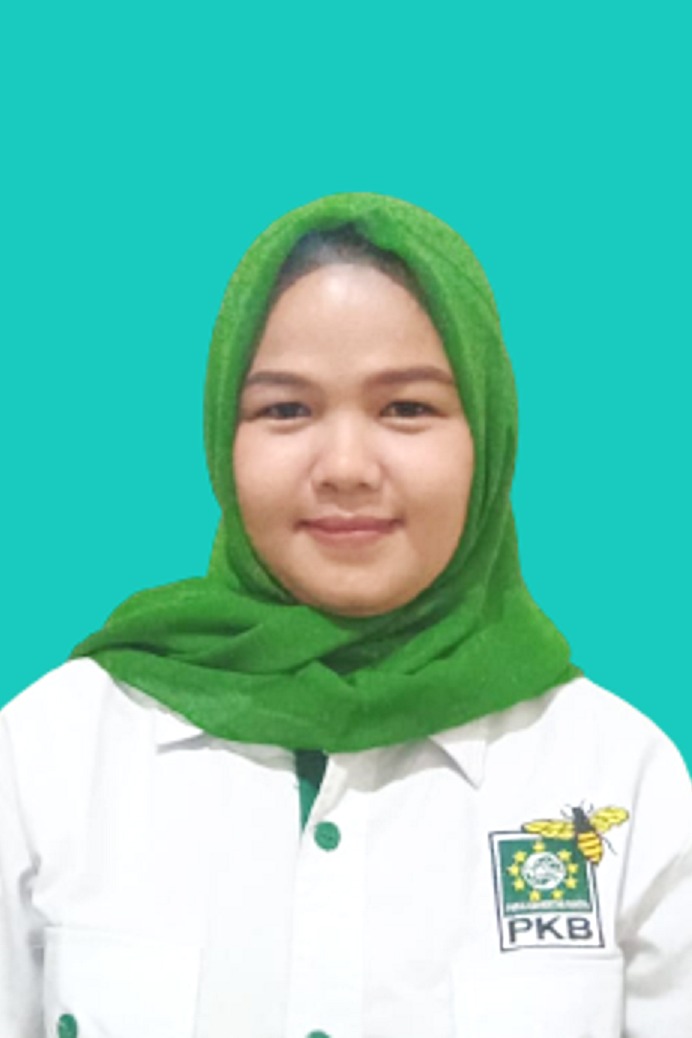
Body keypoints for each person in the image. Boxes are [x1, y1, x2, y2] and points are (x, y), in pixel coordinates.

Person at [0, 193, 690, 1038]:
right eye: (286, 409)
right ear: (223, 435)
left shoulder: (618, 776)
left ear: (488, 434)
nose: (346, 467)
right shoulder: (54, 755)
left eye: (407, 408)